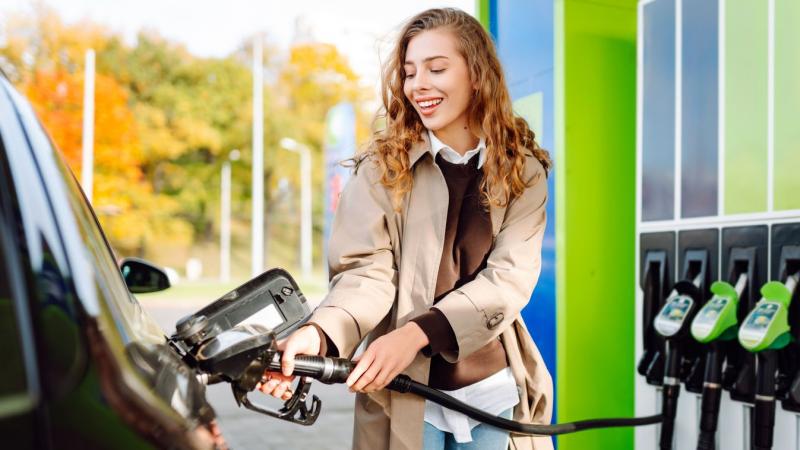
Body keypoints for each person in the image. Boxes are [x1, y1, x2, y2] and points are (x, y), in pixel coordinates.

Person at [259, 7, 553, 450]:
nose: (418, 85)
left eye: (437, 68)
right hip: (405, 393)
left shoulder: (522, 170)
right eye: (410, 72)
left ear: (477, 75)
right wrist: (320, 334)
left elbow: (509, 280)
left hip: (493, 395)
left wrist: (416, 335)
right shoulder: (380, 170)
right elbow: (366, 275)